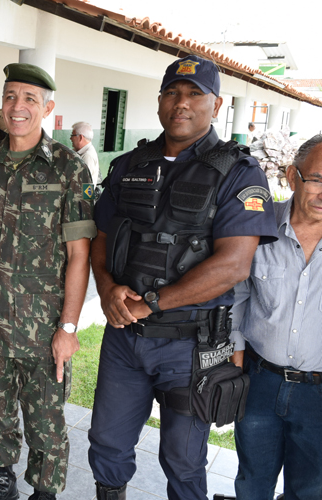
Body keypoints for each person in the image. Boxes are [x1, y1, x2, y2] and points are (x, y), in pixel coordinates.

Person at [87, 55, 278, 500]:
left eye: (195, 94)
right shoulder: (128, 164)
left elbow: (234, 264)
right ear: (159, 101)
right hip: (124, 340)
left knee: (183, 457)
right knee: (108, 445)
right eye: (173, 92)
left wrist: (152, 302)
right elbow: (100, 238)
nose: (182, 103)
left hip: (191, 347)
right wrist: (108, 289)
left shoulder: (240, 173)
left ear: (216, 103)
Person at [0, 63, 96, 500]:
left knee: (46, 421)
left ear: (48, 109)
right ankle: (2, 483)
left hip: (42, 326)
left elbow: (79, 255)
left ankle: (44, 494)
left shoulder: (69, 169)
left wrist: (68, 328)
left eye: (30, 99)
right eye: (11, 96)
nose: (18, 107)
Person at [230, 135, 322, 500]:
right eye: (317, 179)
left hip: (318, 393)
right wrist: (236, 347)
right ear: (292, 176)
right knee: (252, 482)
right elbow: (238, 291)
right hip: (259, 382)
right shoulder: (258, 228)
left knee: (310, 489)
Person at [70, 122, 100, 186]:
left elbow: (86, 183)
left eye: (72, 135)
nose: (71, 138)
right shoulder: (78, 151)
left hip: (82, 195)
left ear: (81, 137)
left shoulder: (87, 156)